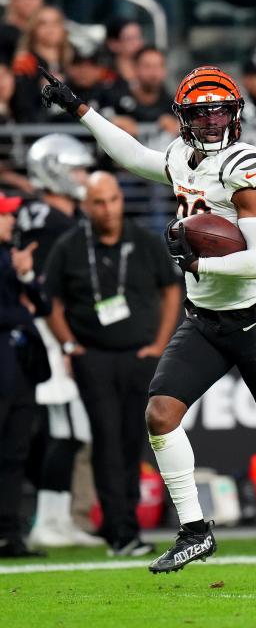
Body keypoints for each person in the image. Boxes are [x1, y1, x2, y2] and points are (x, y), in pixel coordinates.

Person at [39, 64, 256, 578]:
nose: (211, 121)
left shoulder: (247, 167)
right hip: (203, 317)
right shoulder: (182, 157)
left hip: (253, 320)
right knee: (160, 415)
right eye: (201, 112)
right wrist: (80, 109)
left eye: (220, 110)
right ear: (183, 117)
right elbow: (135, 156)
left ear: (236, 114)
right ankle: (195, 532)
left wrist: (200, 262)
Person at [43, 172, 181, 556]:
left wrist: (159, 344)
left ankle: (127, 526)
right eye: (99, 202)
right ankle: (121, 532)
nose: (108, 209)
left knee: (132, 440)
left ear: (122, 200)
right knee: (106, 440)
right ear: (86, 206)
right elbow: (50, 300)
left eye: (114, 200)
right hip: (94, 357)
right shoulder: (70, 246)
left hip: (139, 355)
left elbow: (171, 288)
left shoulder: (142, 241)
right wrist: (69, 345)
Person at [19, 134, 101, 550]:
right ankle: (48, 520)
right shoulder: (57, 223)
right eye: (77, 170)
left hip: (39, 332)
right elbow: (50, 290)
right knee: (64, 431)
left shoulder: (32, 215)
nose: (83, 178)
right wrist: (67, 342)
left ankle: (57, 516)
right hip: (49, 334)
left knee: (66, 430)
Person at [0, 192, 49, 558]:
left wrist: (26, 274)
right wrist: (22, 315)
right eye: (4, 215)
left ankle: (9, 534)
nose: (12, 221)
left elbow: (42, 305)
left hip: (18, 369)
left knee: (15, 452)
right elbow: (21, 313)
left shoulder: (10, 257)